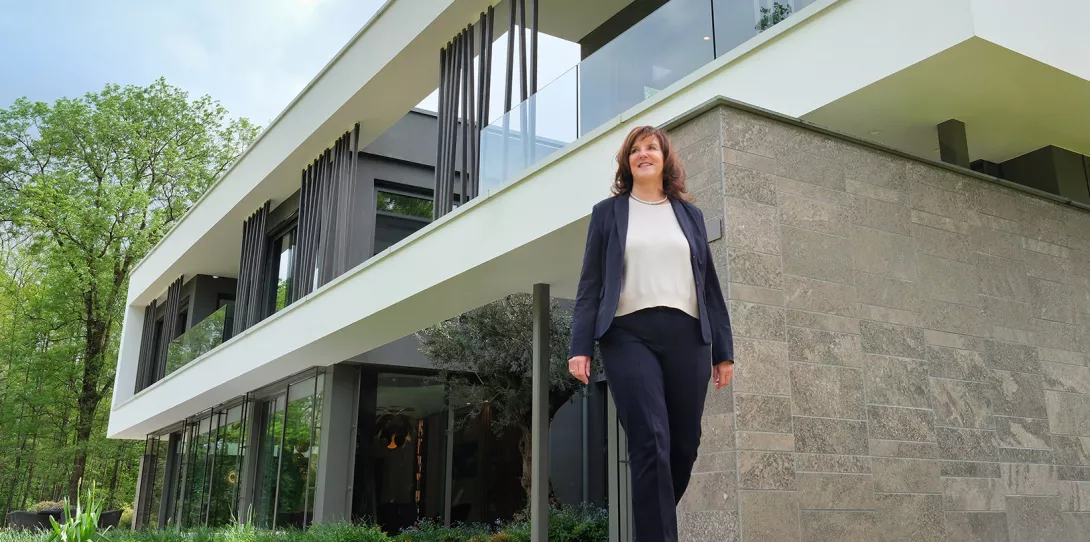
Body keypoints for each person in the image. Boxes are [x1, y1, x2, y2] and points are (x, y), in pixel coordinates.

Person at [568, 125, 734, 542]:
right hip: (628, 335)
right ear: (627, 162)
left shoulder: (689, 215)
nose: (644, 154)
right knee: (651, 440)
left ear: (665, 159)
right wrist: (580, 346)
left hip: (687, 334)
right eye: (635, 150)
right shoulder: (608, 213)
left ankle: (651, 524)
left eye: (652, 148)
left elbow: (709, 285)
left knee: (683, 447)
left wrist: (723, 350)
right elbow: (590, 285)